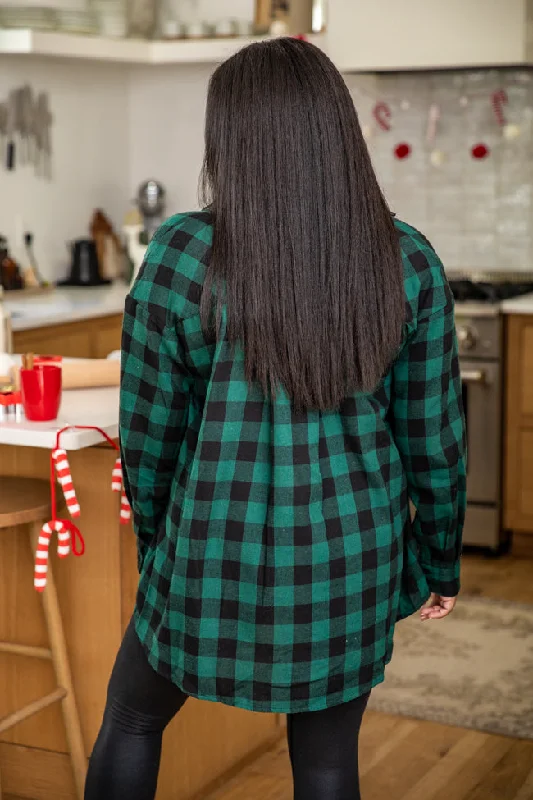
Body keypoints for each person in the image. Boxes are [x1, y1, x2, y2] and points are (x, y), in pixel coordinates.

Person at [85, 38, 466, 800]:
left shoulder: (181, 254)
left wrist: (162, 547)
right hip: (353, 560)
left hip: (208, 553)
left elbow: (148, 435)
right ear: (336, 130)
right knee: (326, 765)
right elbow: (435, 440)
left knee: (131, 719)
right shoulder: (406, 259)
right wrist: (438, 562)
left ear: (229, 138)